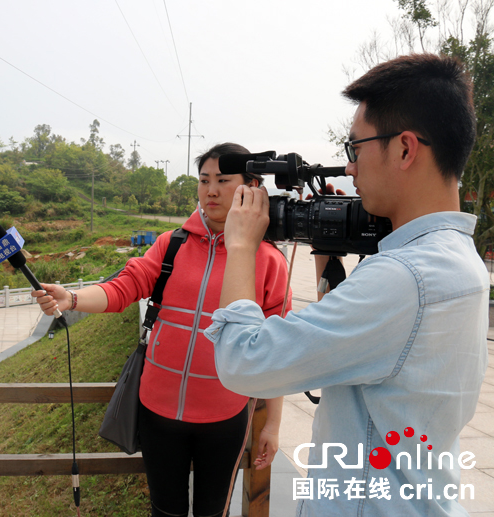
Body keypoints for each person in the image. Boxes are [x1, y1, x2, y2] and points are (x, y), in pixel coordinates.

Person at [205, 54, 488, 516]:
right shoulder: (459, 261)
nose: (350, 168)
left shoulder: (404, 278)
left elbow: (243, 361)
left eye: (355, 148)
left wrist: (239, 246)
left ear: (404, 149)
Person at [34, 143, 291, 517]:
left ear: (250, 186)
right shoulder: (171, 245)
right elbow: (123, 287)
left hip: (226, 416)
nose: (211, 190)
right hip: (159, 411)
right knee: (164, 511)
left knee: (211, 512)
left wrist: (273, 424)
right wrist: (72, 298)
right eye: (204, 180)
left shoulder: (267, 260)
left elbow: (276, 348)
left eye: (223, 180)